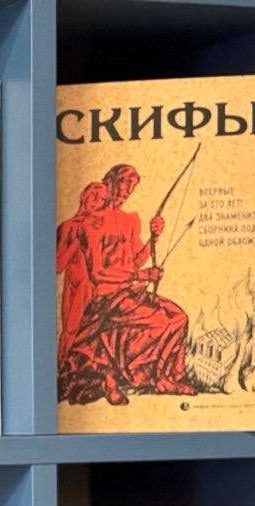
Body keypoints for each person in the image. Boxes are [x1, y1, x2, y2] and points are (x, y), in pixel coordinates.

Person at [59, 164, 195, 406]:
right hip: (108, 298)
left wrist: (153, 238)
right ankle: (140, 375)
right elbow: (98, 274)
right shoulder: (91, 223)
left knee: (179, 317)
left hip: (130, 293)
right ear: (110, 181)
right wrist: (141, 276)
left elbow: (136, 260)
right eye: (125, 183)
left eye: (133, 186)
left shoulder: (129, 220)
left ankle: (168, 377)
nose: (129, 190)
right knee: (160, 322)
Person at [56, 180, 110, 364]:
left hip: (92, 287)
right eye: (94, 195)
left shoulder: (97, 228)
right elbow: (58, 265)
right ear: (83, 195)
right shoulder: (68, 226)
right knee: (69, 332)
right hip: (74, 286)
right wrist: (79, 239)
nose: (97, 201)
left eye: (102, 199)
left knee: (88, 336)